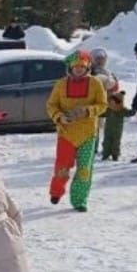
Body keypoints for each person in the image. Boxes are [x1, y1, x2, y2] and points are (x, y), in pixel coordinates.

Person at [45, 50, 107, 211]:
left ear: (87, 67)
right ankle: (56, 191)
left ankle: (79, 200)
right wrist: (59, 117)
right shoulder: (61, 84)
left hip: (88, 133)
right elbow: (51, 105)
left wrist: (88, 110)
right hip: (66, 133)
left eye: (82, 66)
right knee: (62, 167)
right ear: (70, 68)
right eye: (76, 67)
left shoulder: (95, 84)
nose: (78, 69)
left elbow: (103, 105)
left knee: (85, 169)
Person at [100, 88, 135, 162]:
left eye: (114, 102)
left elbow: (129, 113)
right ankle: (105, 154)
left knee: (116, 142)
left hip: (117, 130)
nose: (112, 104)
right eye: (111, 102)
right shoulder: (108, 110)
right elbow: (102, 113)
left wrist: (134, 109)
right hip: (108, 129)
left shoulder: (122, 110)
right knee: (106, 141)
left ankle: (115, 155)